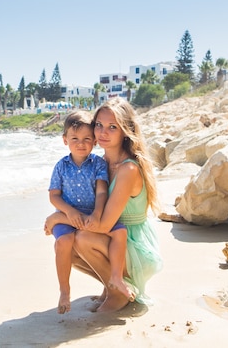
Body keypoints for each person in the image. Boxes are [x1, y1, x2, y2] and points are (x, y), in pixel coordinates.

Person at [45, 97, 162, 313]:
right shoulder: (100, 163)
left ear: (125, 131)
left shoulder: (128, 169)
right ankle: (110, 286)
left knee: (82, 238)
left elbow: (104, 225)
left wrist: (57, 218)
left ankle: (118, 292)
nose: (102, 133)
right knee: (64, 247)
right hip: (115, 240)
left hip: (131, 246)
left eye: (112, 127)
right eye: (98, 125)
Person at [47, 110, 132, 314]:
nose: (81, 143)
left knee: (119, 232)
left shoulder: (98, 164)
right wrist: (66, 213)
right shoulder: (61, 166)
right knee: (64, 243)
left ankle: (115, 280)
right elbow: (54, 195)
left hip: (93, 214)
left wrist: (96, 214)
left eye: (87, 139)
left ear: (94, 141)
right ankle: (64, 291)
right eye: (74, 138)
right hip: (68, 216)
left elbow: (102, 191)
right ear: (65, 140)